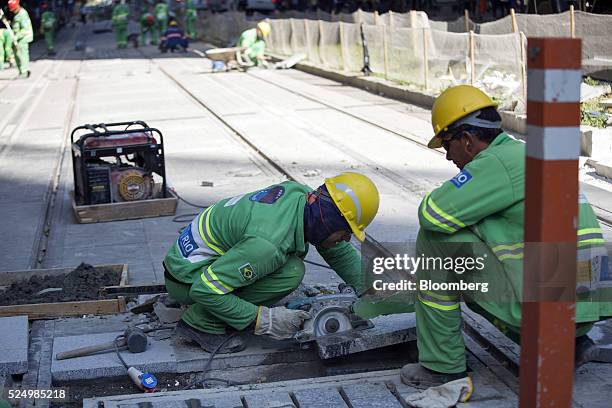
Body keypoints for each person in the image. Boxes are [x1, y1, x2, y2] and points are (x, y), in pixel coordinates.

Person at [399, 85, 611, 387]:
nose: (448, 157)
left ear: (467, 141)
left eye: (448, 145)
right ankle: (571, 346)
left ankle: (442, 366)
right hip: (586, 305)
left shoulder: (496, 162)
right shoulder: (526, 154)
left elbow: (432, 214)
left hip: (550, 304)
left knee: (436, 241)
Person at [165, 172, 379, 353]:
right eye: (346, 232)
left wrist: (371, 291)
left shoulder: (301, 196)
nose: (347, 239)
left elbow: (336, 249)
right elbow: (205, 290)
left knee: (289, 263)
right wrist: (264, 319)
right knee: (290, 273)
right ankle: (200, 322)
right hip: (186, 279)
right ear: (328, 221)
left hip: (194, 260)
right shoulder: (267, 244)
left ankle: (222, 307)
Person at [8, 0, 33, 78]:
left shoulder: (22, 14)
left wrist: (16, 37)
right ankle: (21, 71)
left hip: (23, 38)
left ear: (17, 6)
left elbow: (25, 29)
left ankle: (24, 72)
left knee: (22, 55)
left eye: (14, 9)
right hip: (18, 38)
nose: (13, 11)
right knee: (18, 55)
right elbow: (17, 25)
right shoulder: (18, 14)